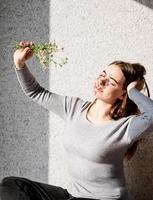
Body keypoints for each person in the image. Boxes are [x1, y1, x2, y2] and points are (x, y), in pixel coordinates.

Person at [0, 41, 153, 200]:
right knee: (11, 185)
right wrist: (20, 64)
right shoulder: (74, 107)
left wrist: (132, 91)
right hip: (73, 195)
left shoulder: (126, 127)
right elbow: (36, 92)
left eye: (111, 82)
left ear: (122, 94)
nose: (101, 81)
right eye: (103, 74)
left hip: (105, 199)